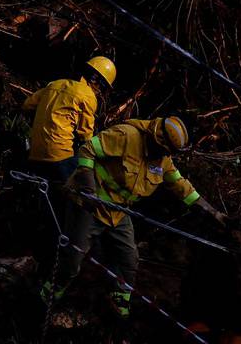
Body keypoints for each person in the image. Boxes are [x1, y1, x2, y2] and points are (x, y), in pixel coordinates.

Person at [55, 116, 224, 323]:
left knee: (129, 257)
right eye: (166, 150)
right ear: (157, 141)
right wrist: (88, 186)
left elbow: (181, 187)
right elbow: (88, 148)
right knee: (73, 257)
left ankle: (118, 299)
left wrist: (213, 212)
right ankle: (52, 291)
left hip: (119, 211)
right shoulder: (126, 135)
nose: (166, 155)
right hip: (89, 204)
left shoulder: (163, 160)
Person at [22, 55, 117, 301]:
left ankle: (45, 236)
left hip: (35, 156)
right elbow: (86, 136)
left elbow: (27, 105)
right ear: (101, 84)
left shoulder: (55, 84)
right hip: (59, 157)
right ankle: (70, 245)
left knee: (48, 201)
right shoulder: (88, 96)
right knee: (78, 200)